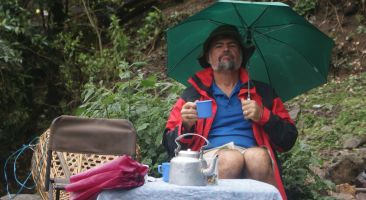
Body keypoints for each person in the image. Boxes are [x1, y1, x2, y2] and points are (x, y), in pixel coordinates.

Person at [162, 25, 298, 200]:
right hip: (209, 157)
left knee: (257, 157)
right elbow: (169, 146)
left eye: (232, 45)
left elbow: (288, 140)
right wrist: (186, 125)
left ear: (242, 56)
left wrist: (264, 115)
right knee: (231, 159)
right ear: (209, 58)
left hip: (252, 152)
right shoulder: (193, 94)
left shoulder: (262, 93)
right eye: (218, 46)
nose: (226, 49)